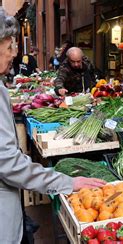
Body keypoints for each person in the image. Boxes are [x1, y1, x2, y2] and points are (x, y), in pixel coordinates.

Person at [0, 8, 106, 242]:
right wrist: (64, 182)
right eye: (10, 47)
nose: (13, 55)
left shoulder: (86, 64)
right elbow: (8, 163)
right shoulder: (64, 68)